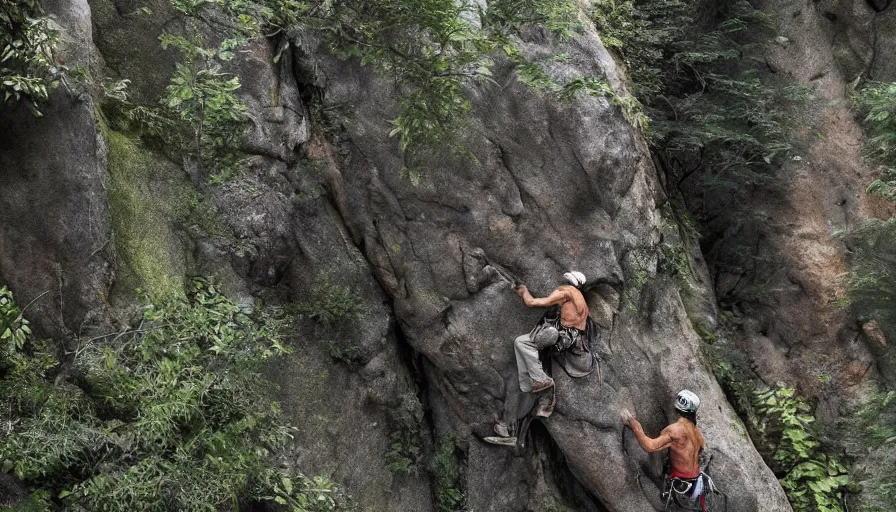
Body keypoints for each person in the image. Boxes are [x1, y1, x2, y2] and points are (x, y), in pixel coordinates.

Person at [621, 390, 709, 511]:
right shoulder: (696, 430)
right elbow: (702, 447)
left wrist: (633, 423)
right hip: (697, 483)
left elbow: (650, 446)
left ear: (676, 408)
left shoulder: (674, 430)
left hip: (681, 486)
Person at [512, 271, 590, 393]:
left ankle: (541, 379)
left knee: (523, 344)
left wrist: (523, 291)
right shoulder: (581, 299)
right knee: (519, 342)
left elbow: (531, 302)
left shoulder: (565, 293)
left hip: (560, 336)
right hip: (572, 339)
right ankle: (528, 384)